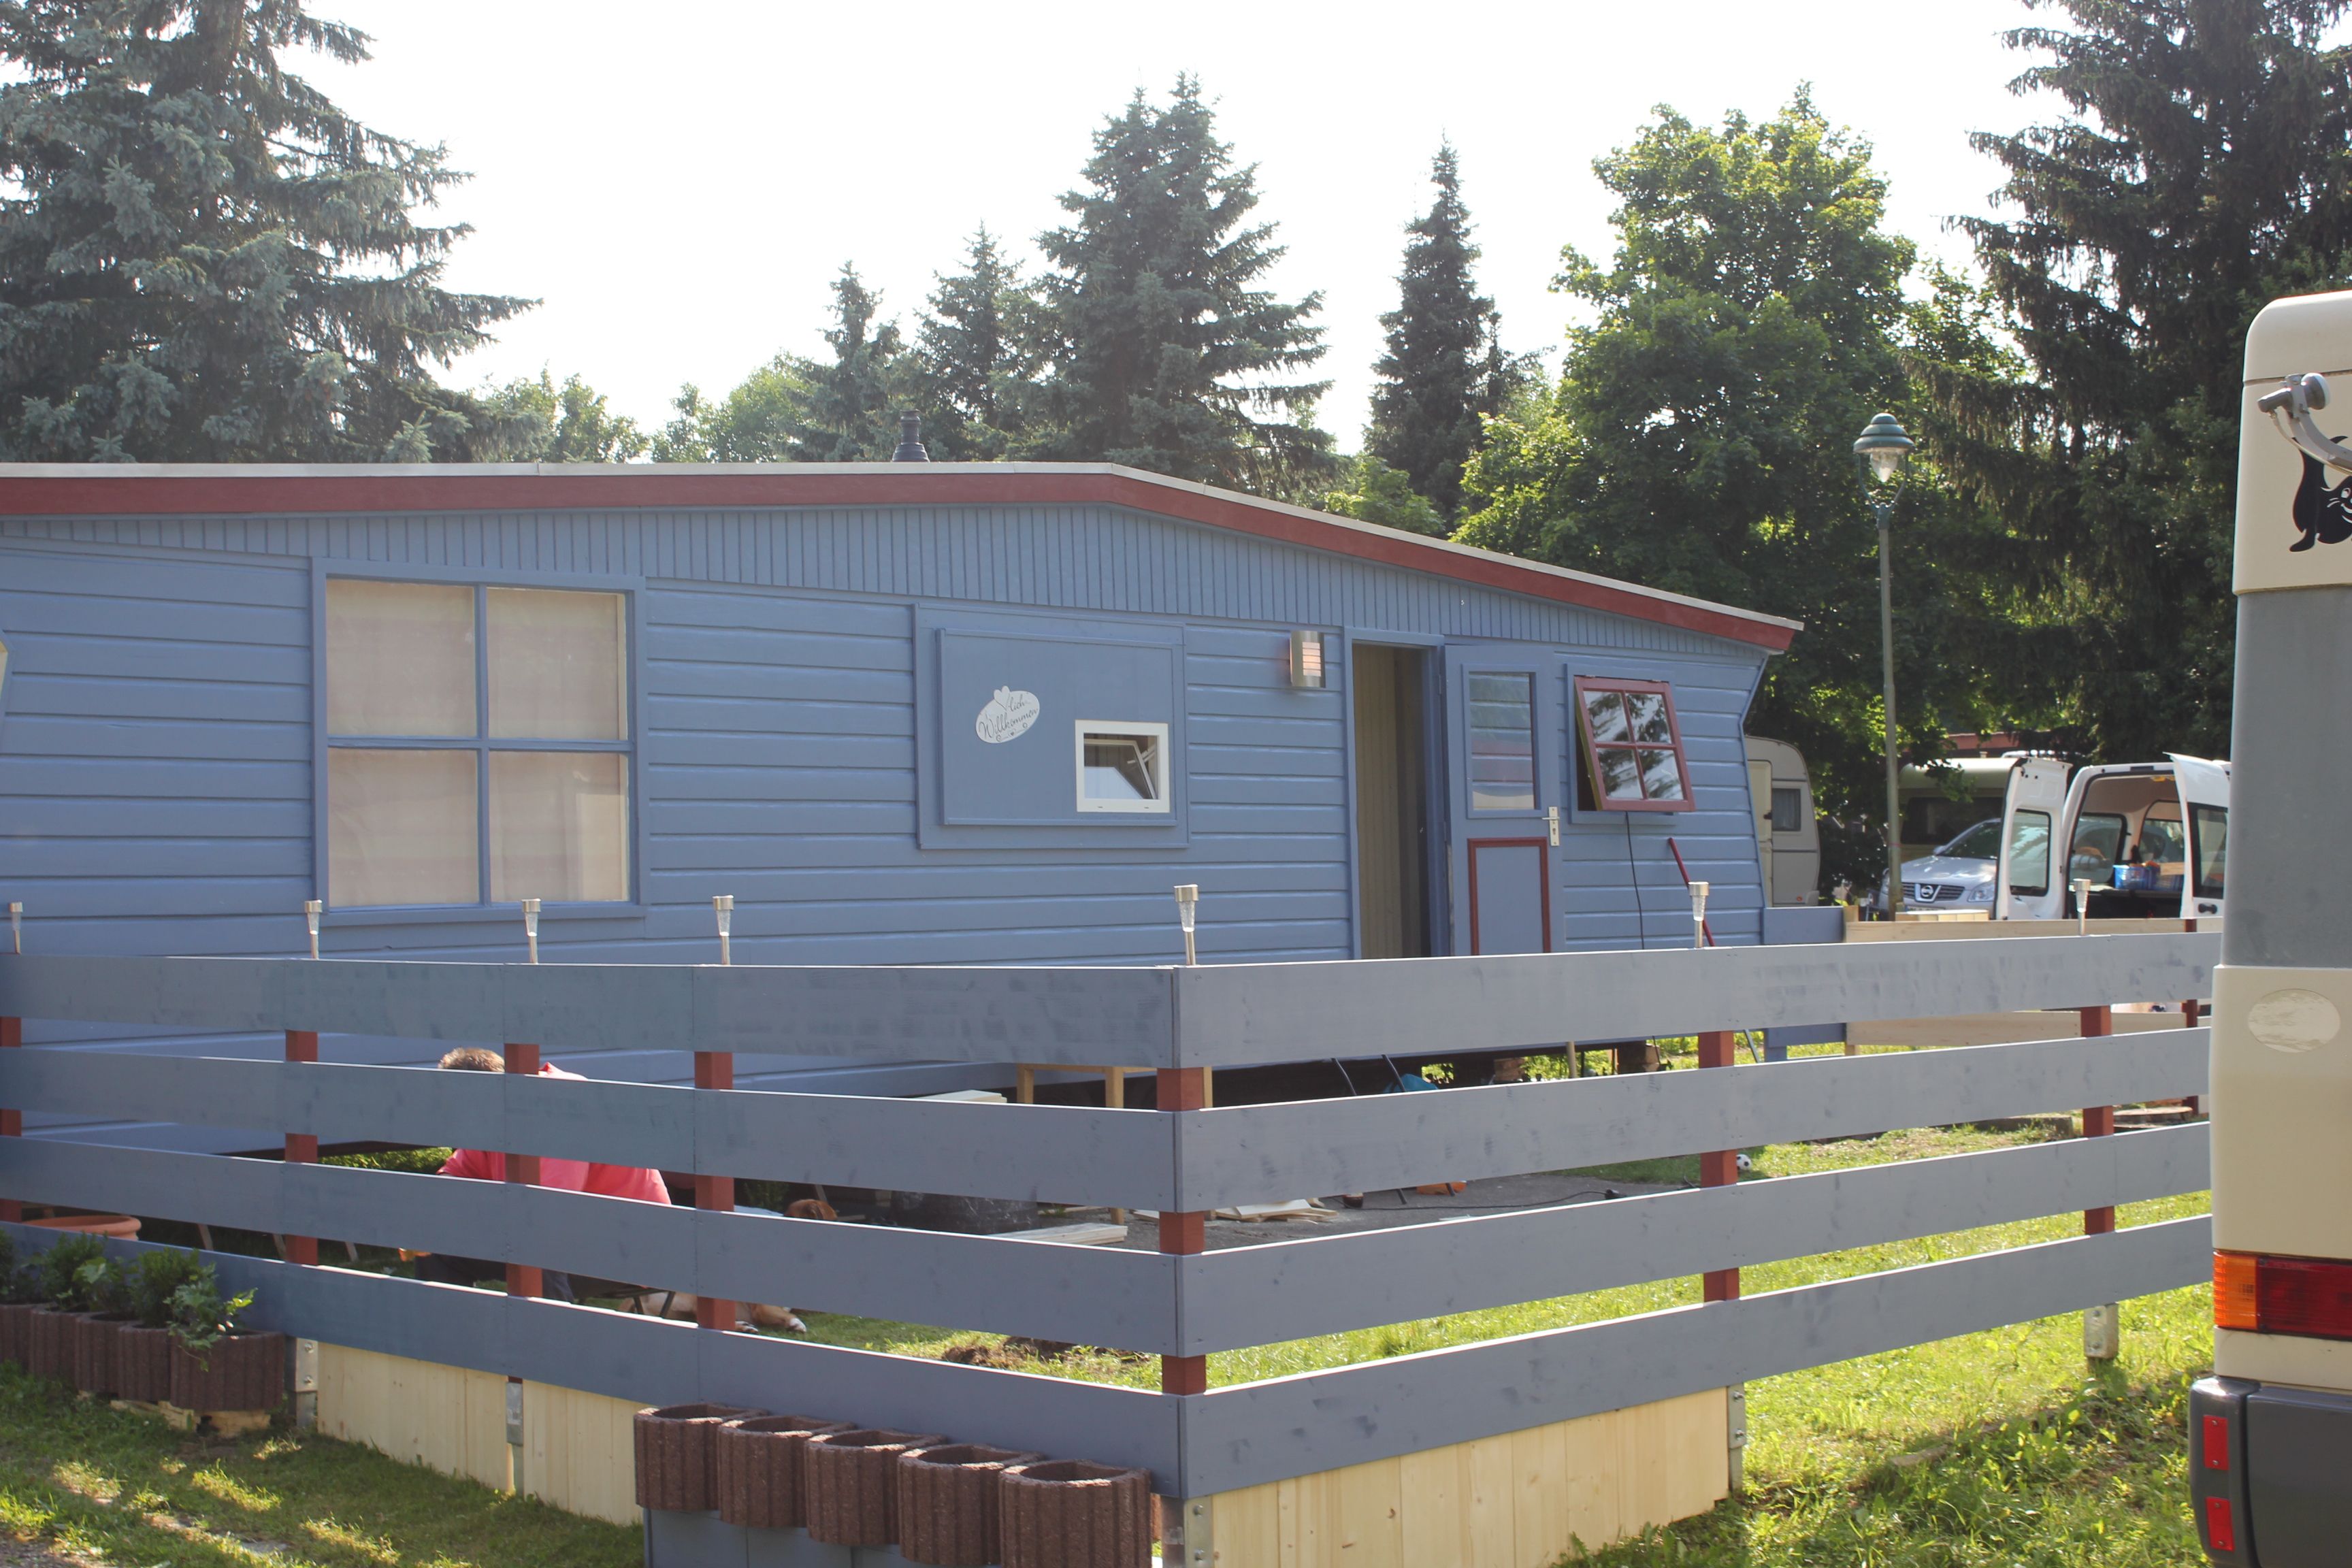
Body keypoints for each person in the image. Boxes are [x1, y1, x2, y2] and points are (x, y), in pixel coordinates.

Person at [409, 1047, 673, 1301]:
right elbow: (455, 1176)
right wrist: (436, 1223)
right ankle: (452, 1342)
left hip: (628, 1252)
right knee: (436, 1250)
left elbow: (550, 1215)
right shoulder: (490, 1114)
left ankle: (546, 1343)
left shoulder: (560, 1104)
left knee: (536, 1248)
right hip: (562, 1238)